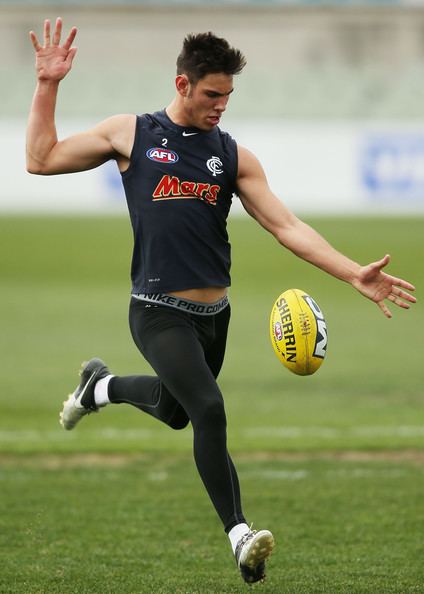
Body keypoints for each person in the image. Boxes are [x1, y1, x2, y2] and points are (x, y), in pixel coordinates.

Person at [27, 18, 416, 585]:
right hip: (156, 309)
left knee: (175, 409)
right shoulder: (131, 134)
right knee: (209, 409)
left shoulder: (232, 155)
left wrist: (352, 272)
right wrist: (47, 85)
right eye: (212, 95)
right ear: (182, 85)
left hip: (215, 318)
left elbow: (286, 225)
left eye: (228, 97)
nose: (221, 107)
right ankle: (240, 535)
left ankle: (99, 387)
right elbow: (40, 159)